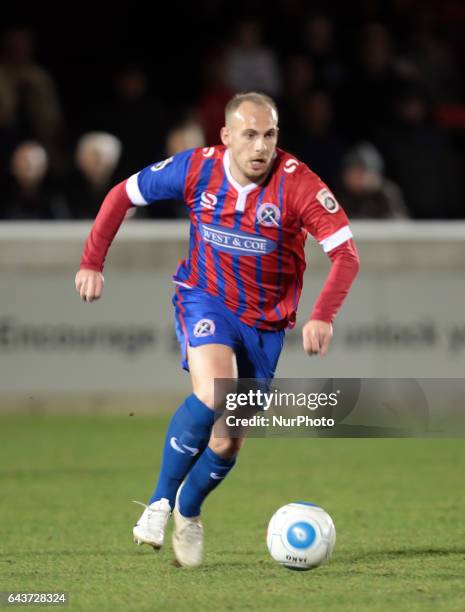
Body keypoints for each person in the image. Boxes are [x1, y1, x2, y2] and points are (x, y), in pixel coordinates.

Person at [75, 92, 359, 568]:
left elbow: (345, 255)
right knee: (215, 394)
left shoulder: (299, 185)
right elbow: (121, 195)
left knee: (227, 440)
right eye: (249, 134)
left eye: (269, 134)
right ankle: (159, 504)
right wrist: (91, 262)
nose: (261, 146)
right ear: (226, 136)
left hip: (266, 324)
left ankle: (188, 510)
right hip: (204, 297)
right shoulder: (196, 169)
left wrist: (322, 313)